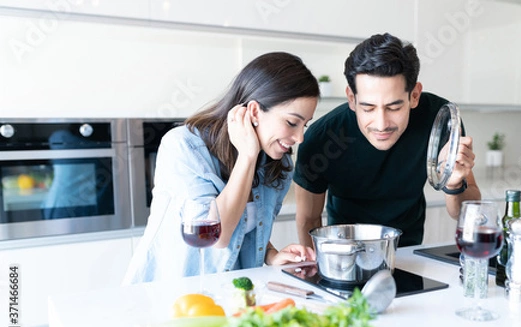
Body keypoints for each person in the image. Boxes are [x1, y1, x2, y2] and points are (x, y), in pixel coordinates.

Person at [124, 52, 319, 284]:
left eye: (304, 125)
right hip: (168, 291)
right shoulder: (184, 146)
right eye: (291, 123)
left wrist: (272, 255)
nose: (299, 138)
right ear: (255, 112)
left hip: (227, 292)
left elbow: (247, 227)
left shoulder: (278, 163)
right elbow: (215, 237)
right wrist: (247, 155)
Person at [293, 33, 481, 248]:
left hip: (409, 250)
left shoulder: (439, 120)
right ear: (352, 99)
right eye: (368, 107)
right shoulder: (322, 137)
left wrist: (454, 182)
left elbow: (463, 214)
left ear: (414, 96)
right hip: (344, 253)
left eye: (394, 107)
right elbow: (308, 220)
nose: (381, 124)